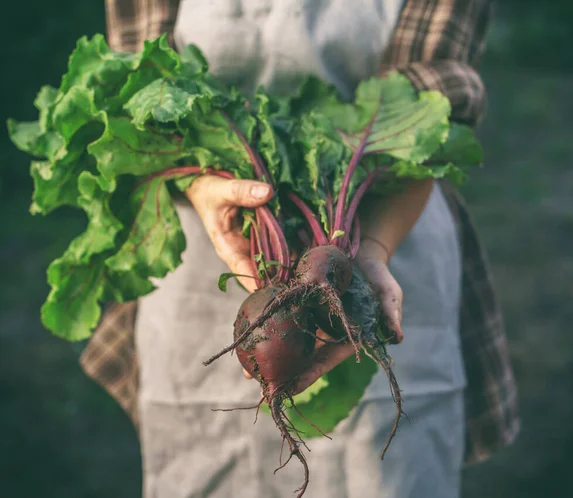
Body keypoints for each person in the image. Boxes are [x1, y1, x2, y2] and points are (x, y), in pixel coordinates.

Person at [80, 0, 520, 497]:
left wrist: (371, 250)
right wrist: (201, 186)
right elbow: (136, 90)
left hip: (389, 233)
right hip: (198, 276)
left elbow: (433, 114)